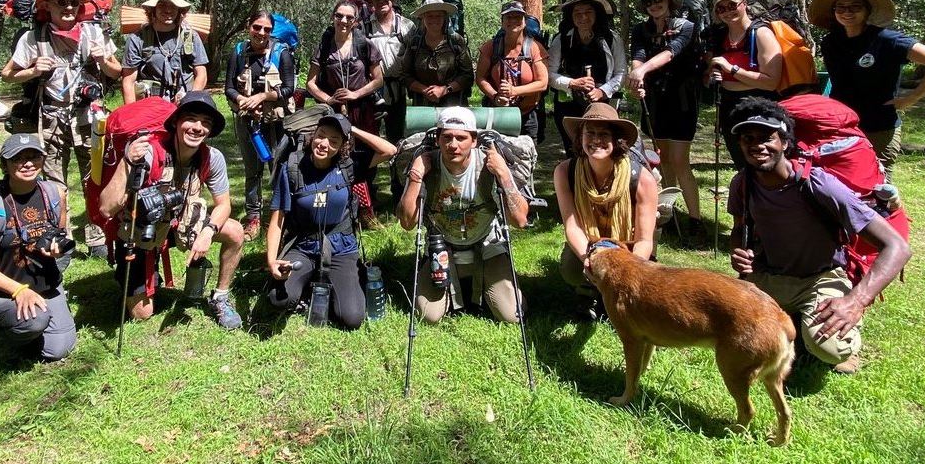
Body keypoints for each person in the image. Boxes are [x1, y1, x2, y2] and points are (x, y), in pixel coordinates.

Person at [727, 98, 910, 374]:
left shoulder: (818, 183)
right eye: (748, 138)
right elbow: (740, 228)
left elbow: (897, 246)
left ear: (786, 143)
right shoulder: (743, 183)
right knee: (730, 331)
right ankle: (795, 321)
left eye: (767, 137)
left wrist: (855, 301)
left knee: (829, 349)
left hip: (820, 278)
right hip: (768, 277)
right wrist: (739, 252)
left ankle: (823, 328)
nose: (757, 145)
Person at [98, 91, 246, 330]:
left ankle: (220, 297)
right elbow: (106, 208)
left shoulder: (212, 158)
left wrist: (208, 232)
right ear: (176, 122)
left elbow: (224, 205)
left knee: (236, 231)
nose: (198, 127)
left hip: (182, 225)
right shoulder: (147, 152)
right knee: (141, 314)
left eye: (206, 123)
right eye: (191, 119)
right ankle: (138, 276)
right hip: (141, 233)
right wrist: (127, 160)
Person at [0, 0, 121, 260]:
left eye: (73, 2)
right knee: (55, 182)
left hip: (89, 118)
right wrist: (31, 71)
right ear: (47, 6)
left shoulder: (94, 33)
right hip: (52, 119)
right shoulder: (34, 38)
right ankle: (60, 237)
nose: (68, 7)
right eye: (61, 2)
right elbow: (7, 74)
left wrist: (104, 61)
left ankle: (97, 236)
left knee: (96, 178)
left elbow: (116, 72)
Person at [264, 113, 398, 329]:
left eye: (334, 140)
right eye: (321, 136)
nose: (324, 144)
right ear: (313, 135)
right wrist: (272, 261)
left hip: (341, 247)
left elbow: (389, 150)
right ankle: (309, 284)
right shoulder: (292, 168)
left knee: (352, 318)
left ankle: (338, 281)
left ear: (343, 145)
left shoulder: (348, 166)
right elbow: (277, 220)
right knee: (280, 299)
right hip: (303, 246)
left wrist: (351, 129)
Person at [397, 107, 529, 324]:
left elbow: (520, 220)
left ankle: (484, 286)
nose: (453, 145)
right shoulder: (427, 166)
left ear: (474, 141)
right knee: (428, 316)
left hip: (487, 247)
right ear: (438, 139)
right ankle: (460, 287)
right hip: (442, 249)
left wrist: (503, 173)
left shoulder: (488, 165)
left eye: (461, 138)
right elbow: (408, 223)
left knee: (513, 316)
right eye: (447, 137)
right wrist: (416, 174)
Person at [809, 0, 925, 171]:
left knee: (879, 182)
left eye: (855, 7)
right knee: (841, 177)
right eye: (841, 7)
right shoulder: (831, 42)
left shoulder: (887, 40)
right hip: (842, 123)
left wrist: (912, 98)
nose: (847, 12)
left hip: (879, 125)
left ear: (867, 11)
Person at [0, 133, 78, 364]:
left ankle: (31, 327)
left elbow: (58, 234)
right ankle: (7, 330)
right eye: (18, 158)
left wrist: (56, 250)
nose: (28, 163)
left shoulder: (54, 194)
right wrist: (19, 291)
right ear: (5, 165)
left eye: (34, 156)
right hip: (3, 292)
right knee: (33, 321)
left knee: (59, 350)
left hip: (46, 286)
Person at [553, 102, 660, 319]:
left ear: (617, 140)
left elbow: (644, 240)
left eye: (604, 134)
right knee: (571, 269)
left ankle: (619, 294)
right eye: (589, 133)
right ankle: (588, 292)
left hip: (629, 245)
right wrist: (589, 259)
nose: (595, 140)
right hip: (590, 243)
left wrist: (626, 270)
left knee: (633, 289)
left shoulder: (642, 180)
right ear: (580, 137)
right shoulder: (565, 172)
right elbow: (572, 225)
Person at [626, 0, 704, 235]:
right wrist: (636, 77)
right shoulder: (641, 29)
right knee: (664, 158)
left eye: (659, 0)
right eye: (649, 2)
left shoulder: (687, 27)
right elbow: (638, 54)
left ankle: (695, 220)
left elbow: (672, 52)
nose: (654, 5)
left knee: (680, 160)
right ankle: (672, 213)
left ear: (669, 1)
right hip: (654, 99)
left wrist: (641, 71)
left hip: (681, 99)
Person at [306, 0, 386, 227]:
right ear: (333, 16)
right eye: (339, 15)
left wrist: (355, 94)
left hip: (362, 111)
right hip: (333, 112)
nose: (343, 21)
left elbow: (379, 79)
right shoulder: (324, 44)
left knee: (364, 158)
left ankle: (366, 210)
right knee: (336, 156)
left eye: (349, 17)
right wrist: (328, 99)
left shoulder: (365, 44)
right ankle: (338, 207)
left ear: (356, 21)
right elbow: (310, 83)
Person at [224, 8, 298, 240]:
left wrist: (263, 97)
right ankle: (253, 217)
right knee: (251, 170)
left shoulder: (281, 53)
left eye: (266, 29)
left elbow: (288, 89)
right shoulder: (238, 52)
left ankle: (279, 218)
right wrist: (242, 100)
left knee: (277, 169)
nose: (261, 33)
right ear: (249, 27)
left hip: (275, 123)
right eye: (257, 27)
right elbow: (229, 87)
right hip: (247, 122)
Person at [703, 0, 782, 168]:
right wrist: (713, 74)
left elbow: (771, 82)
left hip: (759, 106)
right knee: (741, 162)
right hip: (729, 105)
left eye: (732, 5)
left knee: (762, 164)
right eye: (721, 8)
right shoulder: (720, 36)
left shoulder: (761, 34)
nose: (727, 12)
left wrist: (732, 69)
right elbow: (709, 76)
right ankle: (746, 195)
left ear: (743, 4)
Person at [547, 0, 627, 155]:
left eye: (588, 12)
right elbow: (549, 74)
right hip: (568, 105)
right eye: (578, 13)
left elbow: (621, 72)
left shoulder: (611, 39)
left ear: (597, 13)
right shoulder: (561, 40)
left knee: (602, 149)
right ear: (571, 16)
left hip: (603, 104)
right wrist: (572, 83)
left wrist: (602, 91)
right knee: (573, 150)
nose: (583, 17)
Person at [475, 0, 549, 141]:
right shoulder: (490, 47)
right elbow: (480, 78)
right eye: (509, 17)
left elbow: (543, 83)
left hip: (527, 114)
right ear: (502, 21)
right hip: (498, 113)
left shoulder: (535, 48)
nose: (513, 21)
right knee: (495, 154)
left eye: (518, 17)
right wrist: (495, 96)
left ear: (524, 21)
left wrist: (514, 91)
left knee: (525, 156)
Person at [121, 0, 208, 103]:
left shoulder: (190, 36)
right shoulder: (137, 39)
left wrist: (190, 99)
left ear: (179, 10)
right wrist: (130, 114)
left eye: (173, 6)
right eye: (162, 5)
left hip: (184, 102)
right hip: (150, 105)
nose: (168, 10)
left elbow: (201, 72)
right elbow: (128, 80)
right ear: (153, 9)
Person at [394, 0, 474, 110]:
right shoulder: (414, 43)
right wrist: (425, 90)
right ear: (423, 18)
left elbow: (467, 75)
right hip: (422, 106)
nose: (434, 19)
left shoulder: (456, 41)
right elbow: (405, 75)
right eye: (430, 16)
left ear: (445, 18)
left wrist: (445, 90)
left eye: (438, 16)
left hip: (454, 105)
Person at [362, 0, 415, 144]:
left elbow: (416, 58)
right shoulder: (363, 28)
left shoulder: (407, 26)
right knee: (370, 137)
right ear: (371, 1)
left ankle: (397, 168)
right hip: (372, 92)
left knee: (398, 137)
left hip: (399, 90)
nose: (382, 0)